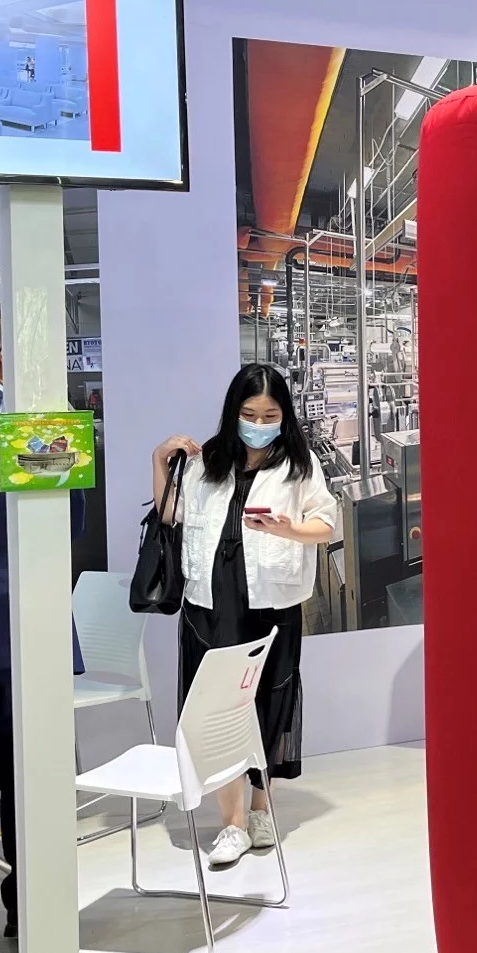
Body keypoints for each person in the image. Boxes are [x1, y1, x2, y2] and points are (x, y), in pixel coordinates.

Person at [152, 364, 337, 869]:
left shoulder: (299, 464)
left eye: (269, 415)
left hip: (271, 603)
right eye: (249, 413)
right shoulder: (206, 461)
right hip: (210, 605)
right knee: (217, 711)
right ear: (233, 411)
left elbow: (325, 524)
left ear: (284, 416)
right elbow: (171, 515)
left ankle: (260, 808)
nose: (258, 423)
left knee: (268, 705)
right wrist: (158, 461)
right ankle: (231, 824)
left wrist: (288, 529)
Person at [0, 300, 84, 953]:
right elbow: (68, 528)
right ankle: (34, 923)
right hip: (28, 630)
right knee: (30, 786)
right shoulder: (39, 429)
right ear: (4, 360)